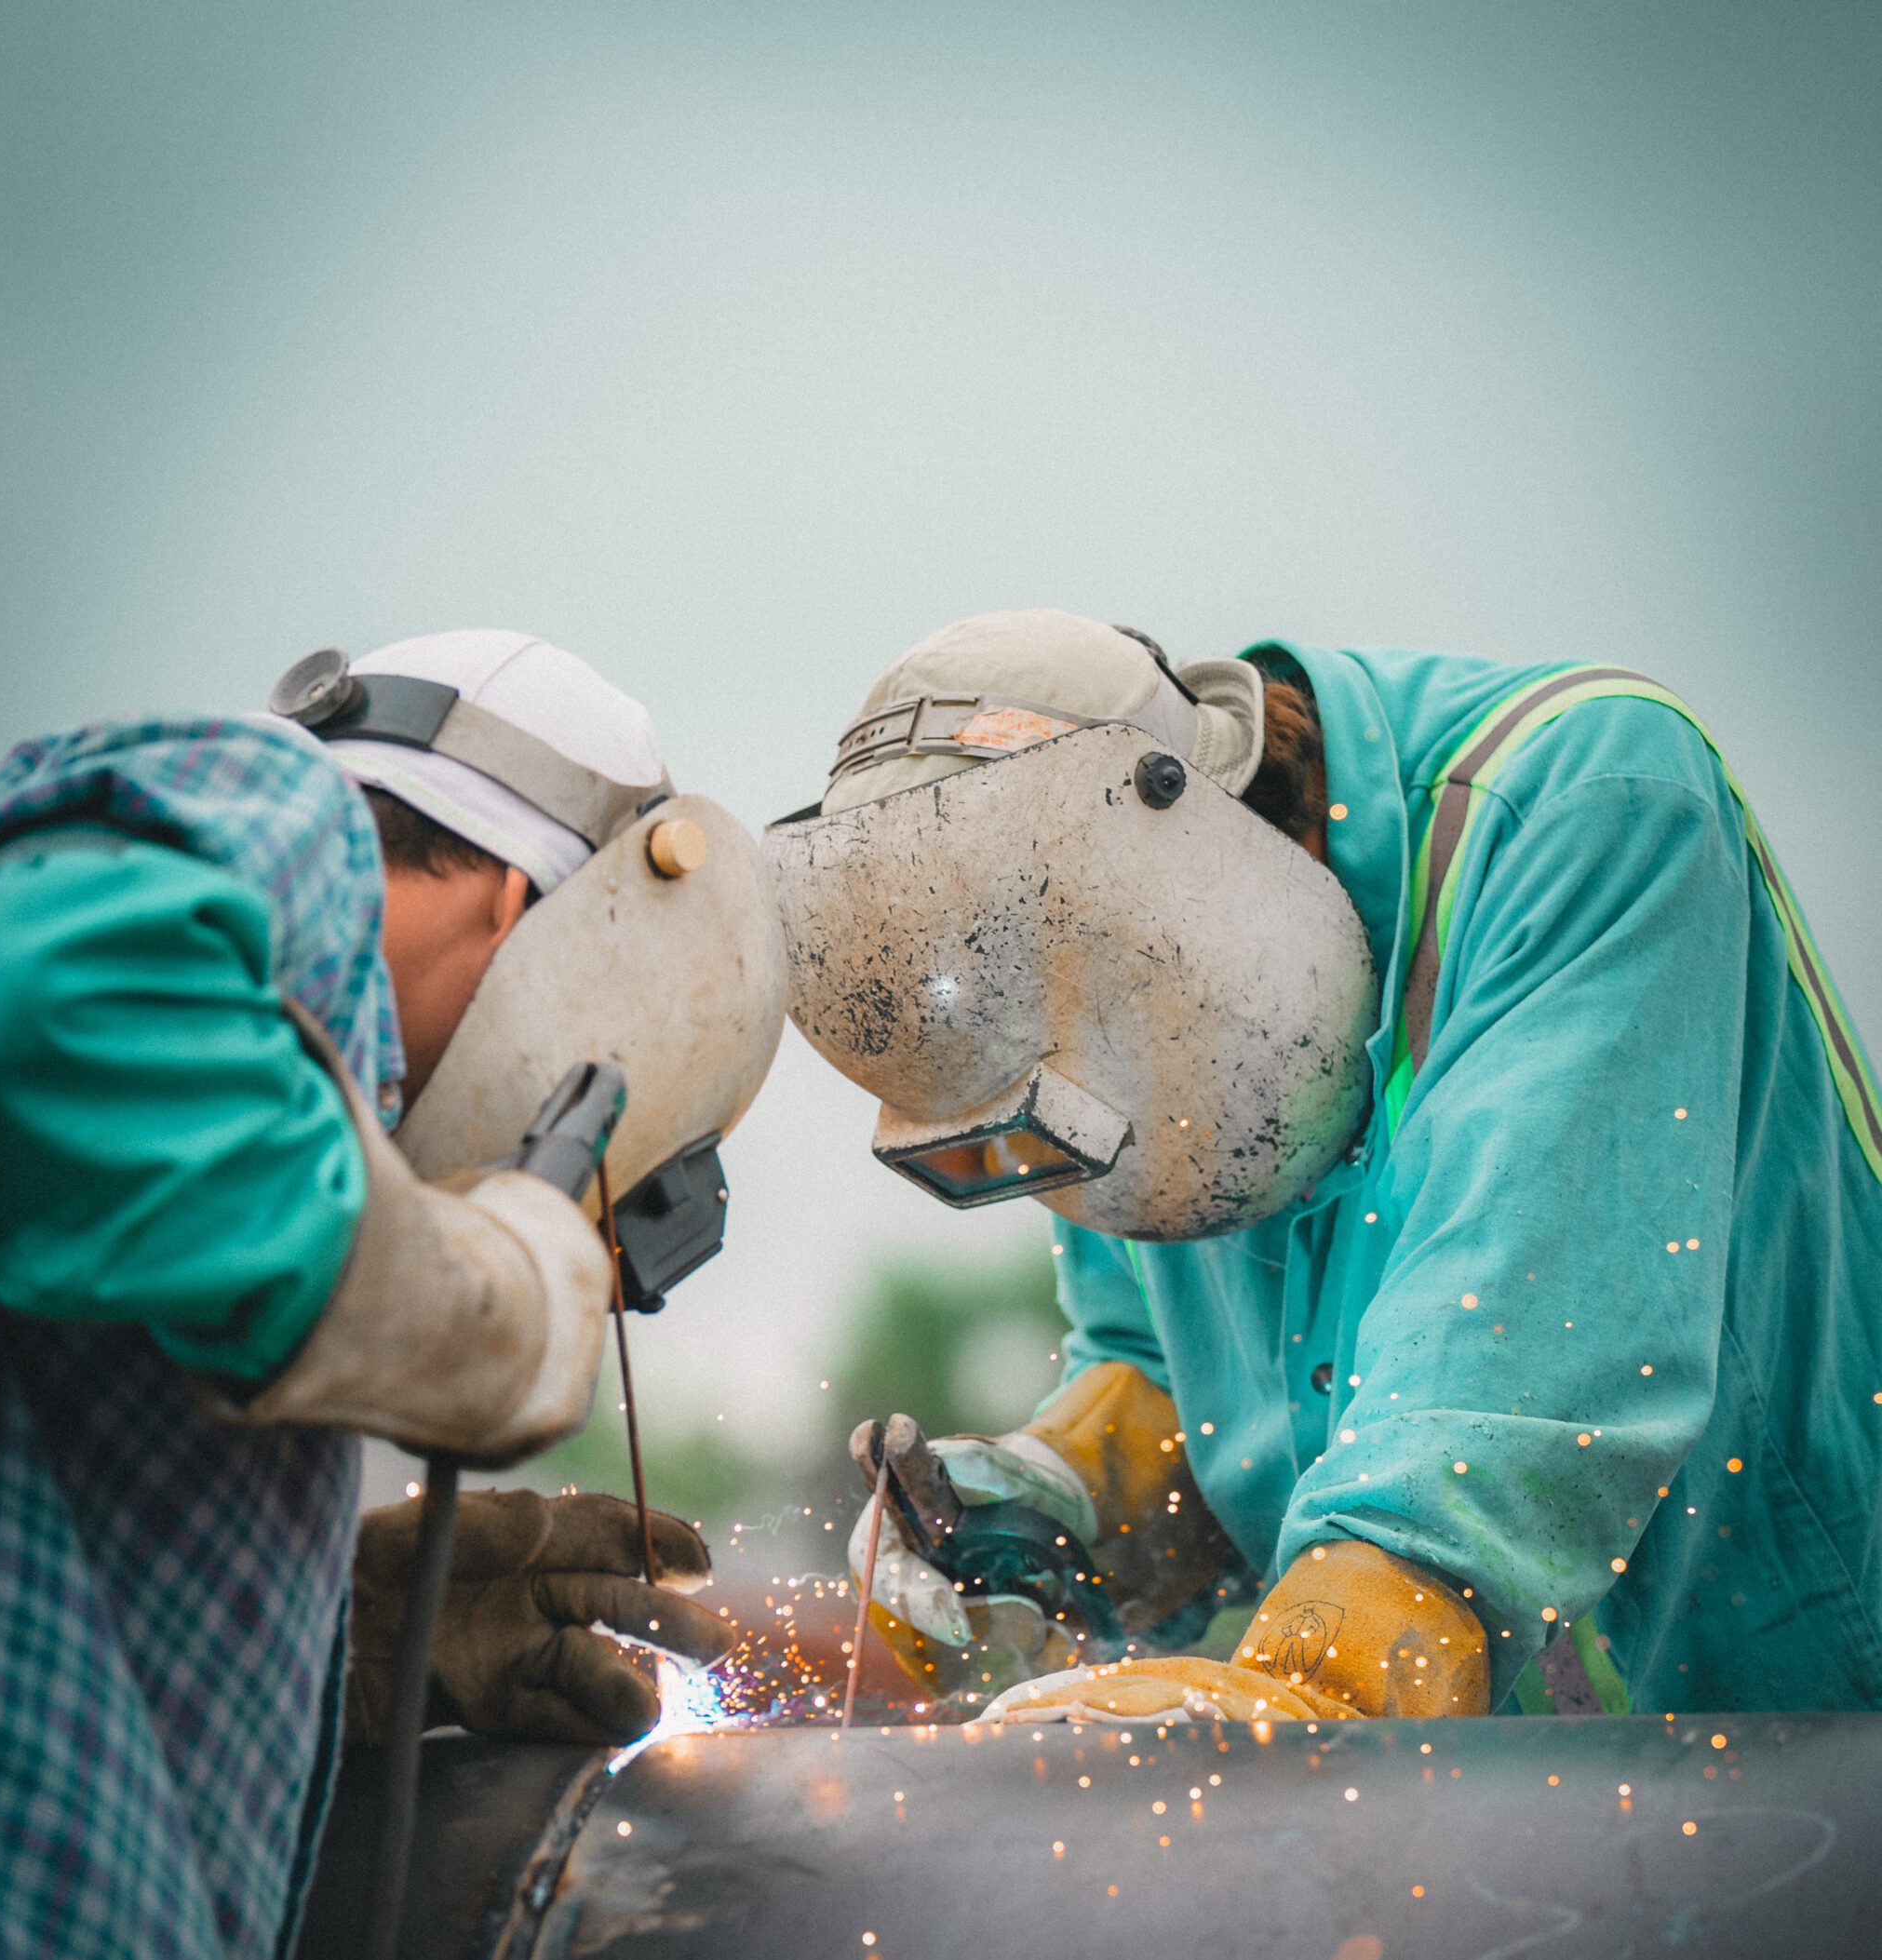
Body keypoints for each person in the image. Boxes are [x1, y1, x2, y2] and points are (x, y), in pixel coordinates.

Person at [0, 630, 786, 1960]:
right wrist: (468, 1294)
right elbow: (29, 1014)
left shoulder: (264, 1098)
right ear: (520, 906)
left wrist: (348, 1642)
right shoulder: (279, 832)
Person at [766, 609, 1882, 1728]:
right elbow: (1180, 1384)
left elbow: (1510, 1380)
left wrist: (1311, 1689)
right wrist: (1064, 1504)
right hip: (1534, 1819)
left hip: (1823, 1733)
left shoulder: (1583, 805)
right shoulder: (1076, 1007)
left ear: (1206, 868)